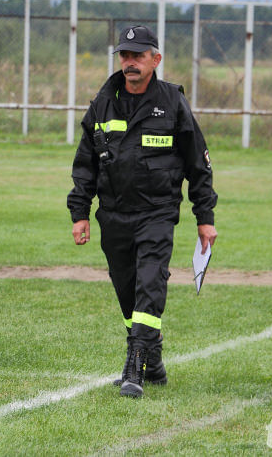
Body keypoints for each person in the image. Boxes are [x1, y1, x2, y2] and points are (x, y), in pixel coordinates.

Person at [67, 25, 218, 398]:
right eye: (125, 55)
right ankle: (154, 357)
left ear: (156, 59)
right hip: (113, 213)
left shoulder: (172, 102)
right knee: (126, 290)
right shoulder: (102, 104)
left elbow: (198, 162)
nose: (130, 62)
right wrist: (80, 212)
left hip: (157, 212)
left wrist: (205, 217)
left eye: (138, 55)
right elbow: (85, 163)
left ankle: (135, 365)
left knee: (149, 282)